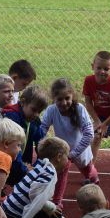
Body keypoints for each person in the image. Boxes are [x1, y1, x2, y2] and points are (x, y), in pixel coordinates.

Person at [1, 137, 70, 218]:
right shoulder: (48, 172)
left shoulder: (42, 165)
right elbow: (35, 194)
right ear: (59, 157)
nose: (68, 159)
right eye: (67, 155)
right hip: (14, 211)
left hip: (16, 206)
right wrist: (50, 207)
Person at [40, 78, 97, 206]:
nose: (64, 102)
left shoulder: (79, 109)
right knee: (61, 174)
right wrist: (42, 146)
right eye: (59, 99)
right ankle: (57, 202)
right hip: (62, 151)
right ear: (53, 98)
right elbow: (42, 130)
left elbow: (89, 134)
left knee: (88, 171)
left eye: (67, 98)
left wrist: (74, 153)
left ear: (72, 96)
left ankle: (94, 178)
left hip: (80, 149)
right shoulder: (51, 110)